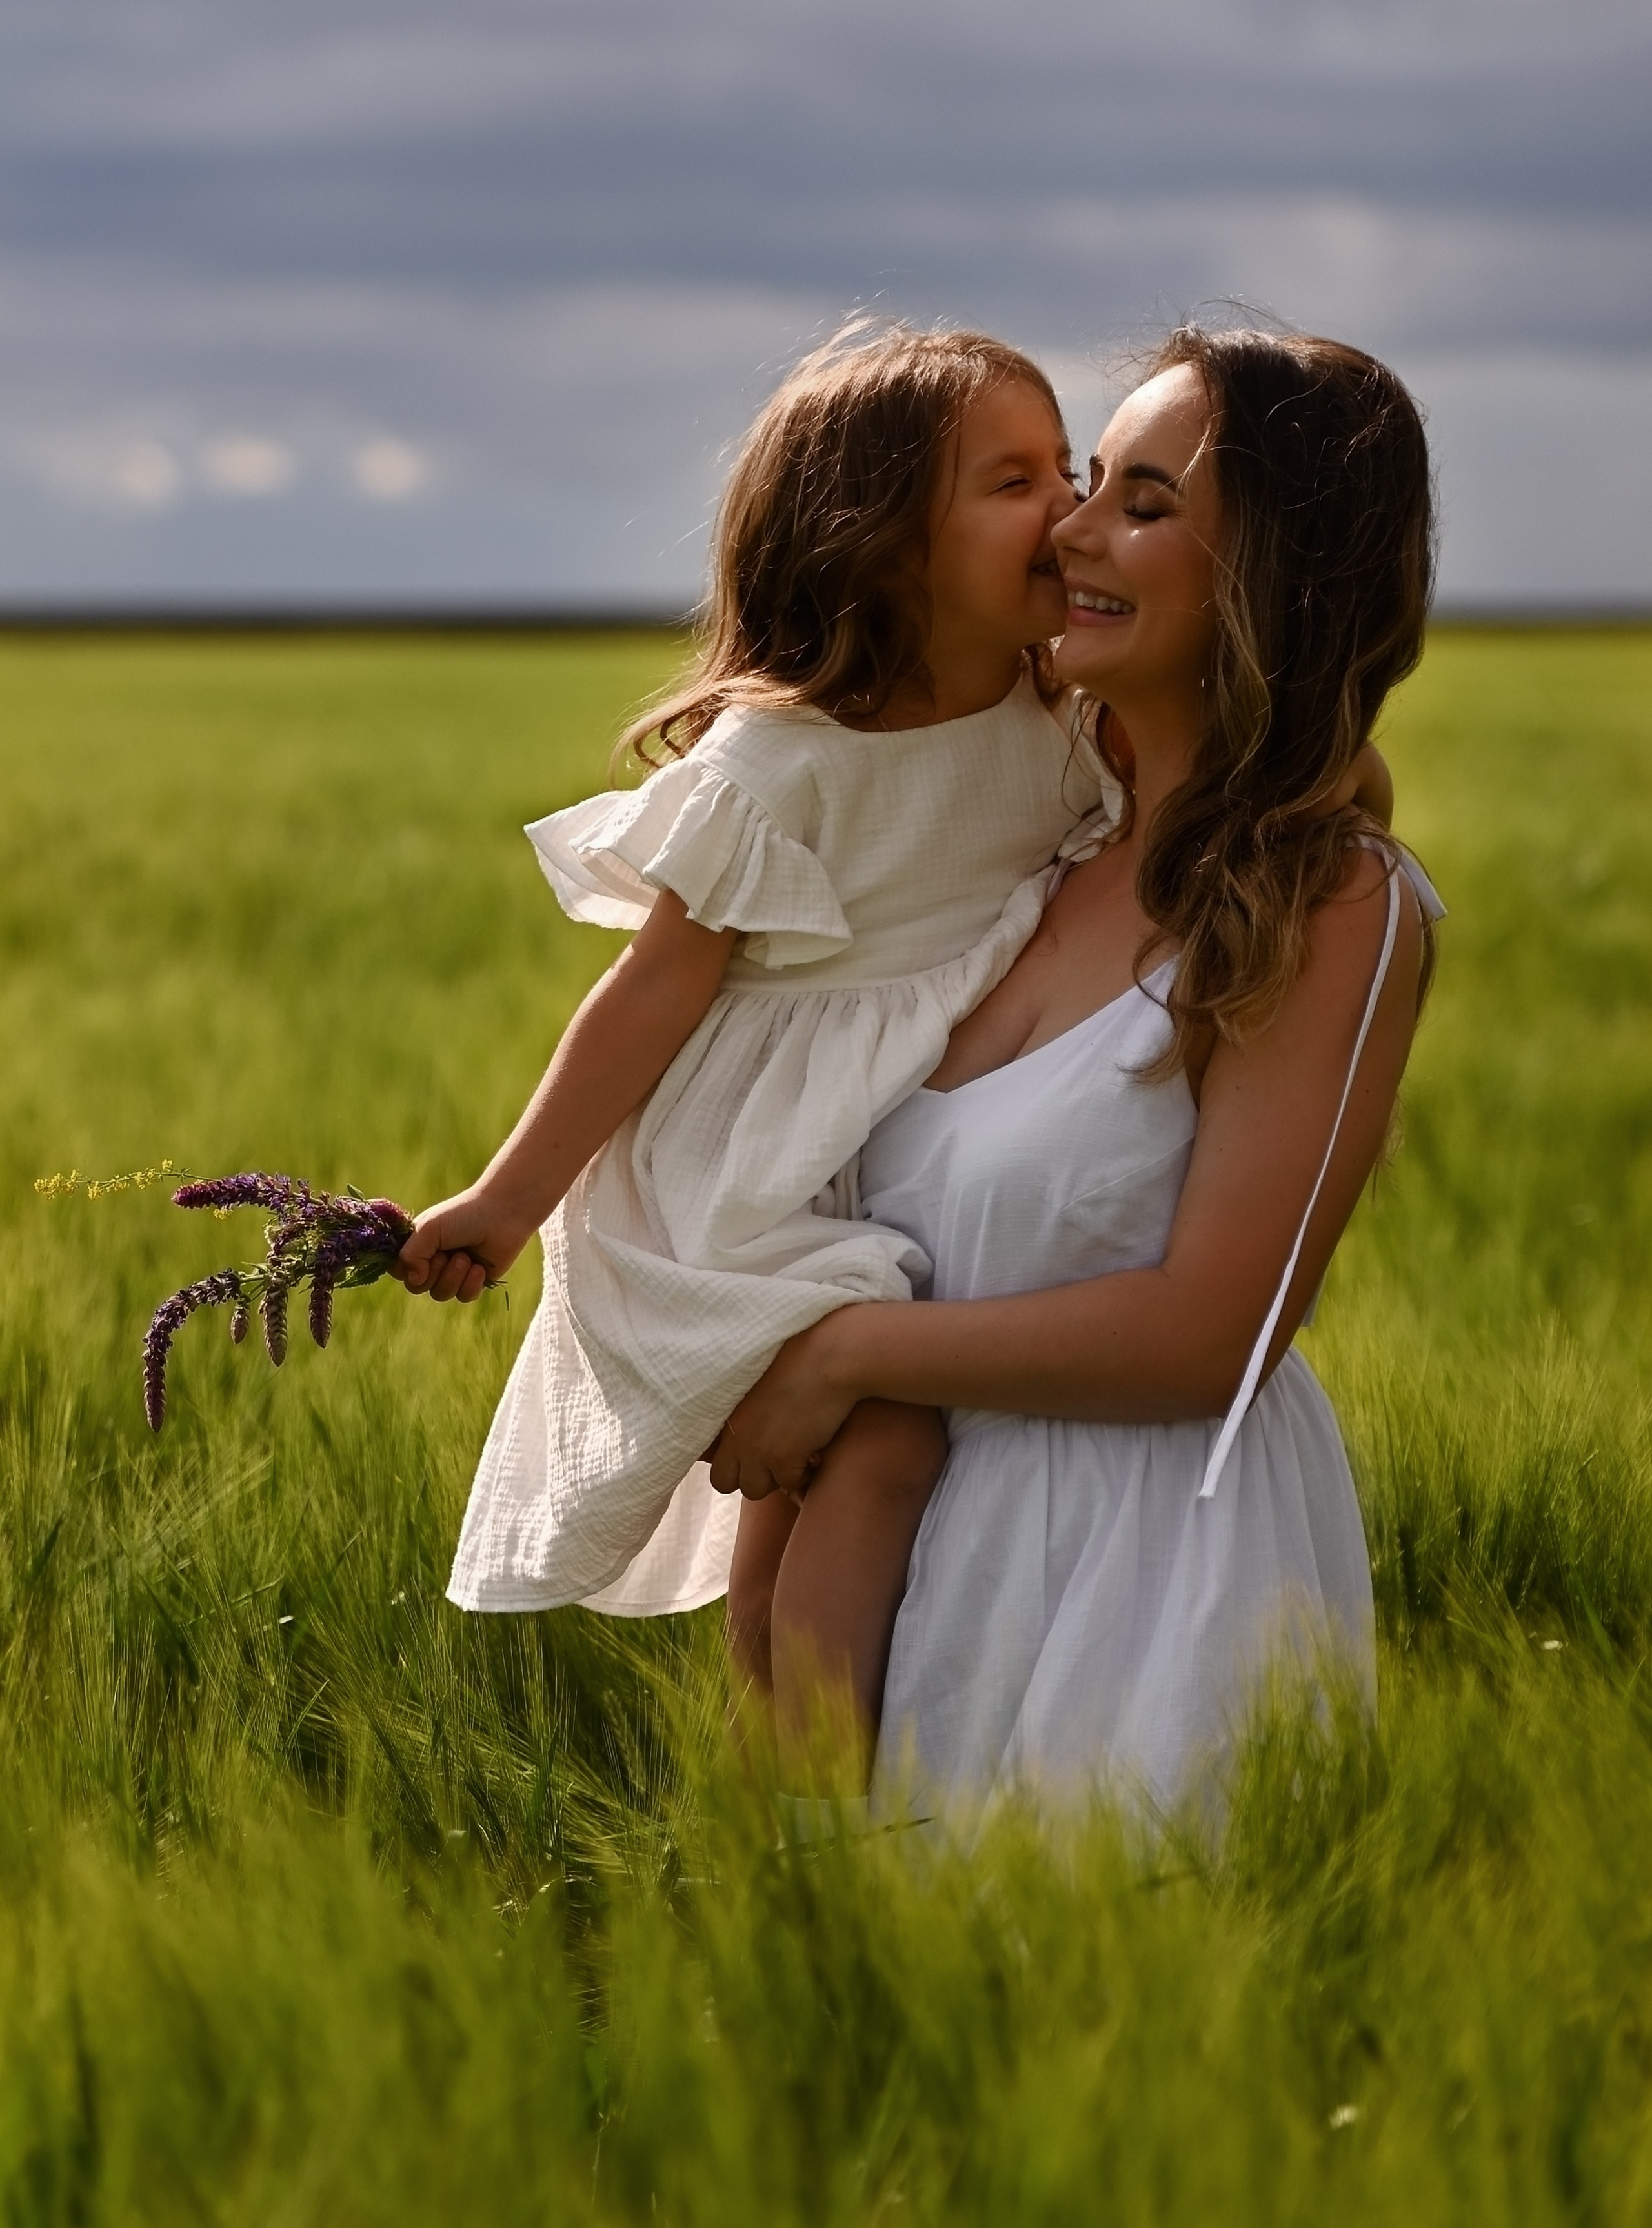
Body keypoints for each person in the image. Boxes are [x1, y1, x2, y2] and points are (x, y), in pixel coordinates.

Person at [708, 324, 1442, 1822]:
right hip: (901, 1570)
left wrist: (843, 1357)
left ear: (1275, 576)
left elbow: (1208, 1333)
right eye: (1088, 481)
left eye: (1145, 503)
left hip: (1138, 1594)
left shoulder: (1328, 901)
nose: (1072, 528)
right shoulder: (1016, 844)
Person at [394, 323, 1118, 1710]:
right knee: (882, 1434)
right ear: (880, 542)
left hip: (902, 1133)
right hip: (755, 1165)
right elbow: (651, 989)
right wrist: (508, 1196)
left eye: (1070, 468)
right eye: (1013, 482)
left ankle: (780, 1796)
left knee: (800, 1487)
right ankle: (809, 1794)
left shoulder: (1063, 716)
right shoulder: (783, 759)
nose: (1070, 511)